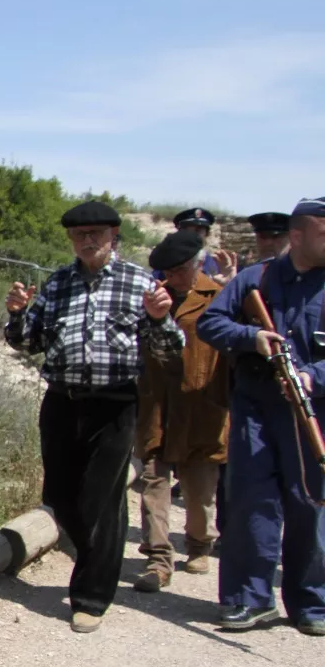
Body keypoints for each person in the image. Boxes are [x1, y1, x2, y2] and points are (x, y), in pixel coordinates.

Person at [5, 200, 180, 632]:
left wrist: (158, 320)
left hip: (114, 403)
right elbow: (28, 343)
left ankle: (90, 595)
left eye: (95, 234)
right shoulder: (59, 283)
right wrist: (16, 313)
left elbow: (171, 348)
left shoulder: (139, 282)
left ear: (113, 237)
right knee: (61, 496)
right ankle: (98, 558)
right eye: (79, 235)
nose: (87, 242)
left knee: (100, 499)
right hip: (62, 401)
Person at [195, 198, 325, 636]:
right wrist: (253, 337)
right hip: (256, 410)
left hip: (313, 412)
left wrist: (311, 378)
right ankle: (250, 600)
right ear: (299, 235)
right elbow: (210, 324)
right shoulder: (257, 279)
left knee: (311, 506)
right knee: (253, 503)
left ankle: (311, 601)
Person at [133, 229, 229, 592]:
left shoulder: (218, 297)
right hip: (157, 404)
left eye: (176, 272)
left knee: (198, 487)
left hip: (202, 405)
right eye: (165, 272)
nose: (169, 279)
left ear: (195, 266)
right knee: (153, 480)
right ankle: (158, 559)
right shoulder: (151, 301)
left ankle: (200, 544)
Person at [171, 207, 237, 284]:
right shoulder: (168, 265)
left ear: (207, 234)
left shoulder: (218, 265)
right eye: (187, 231)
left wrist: (228, 286)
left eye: (198, 231)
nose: (192, 236)